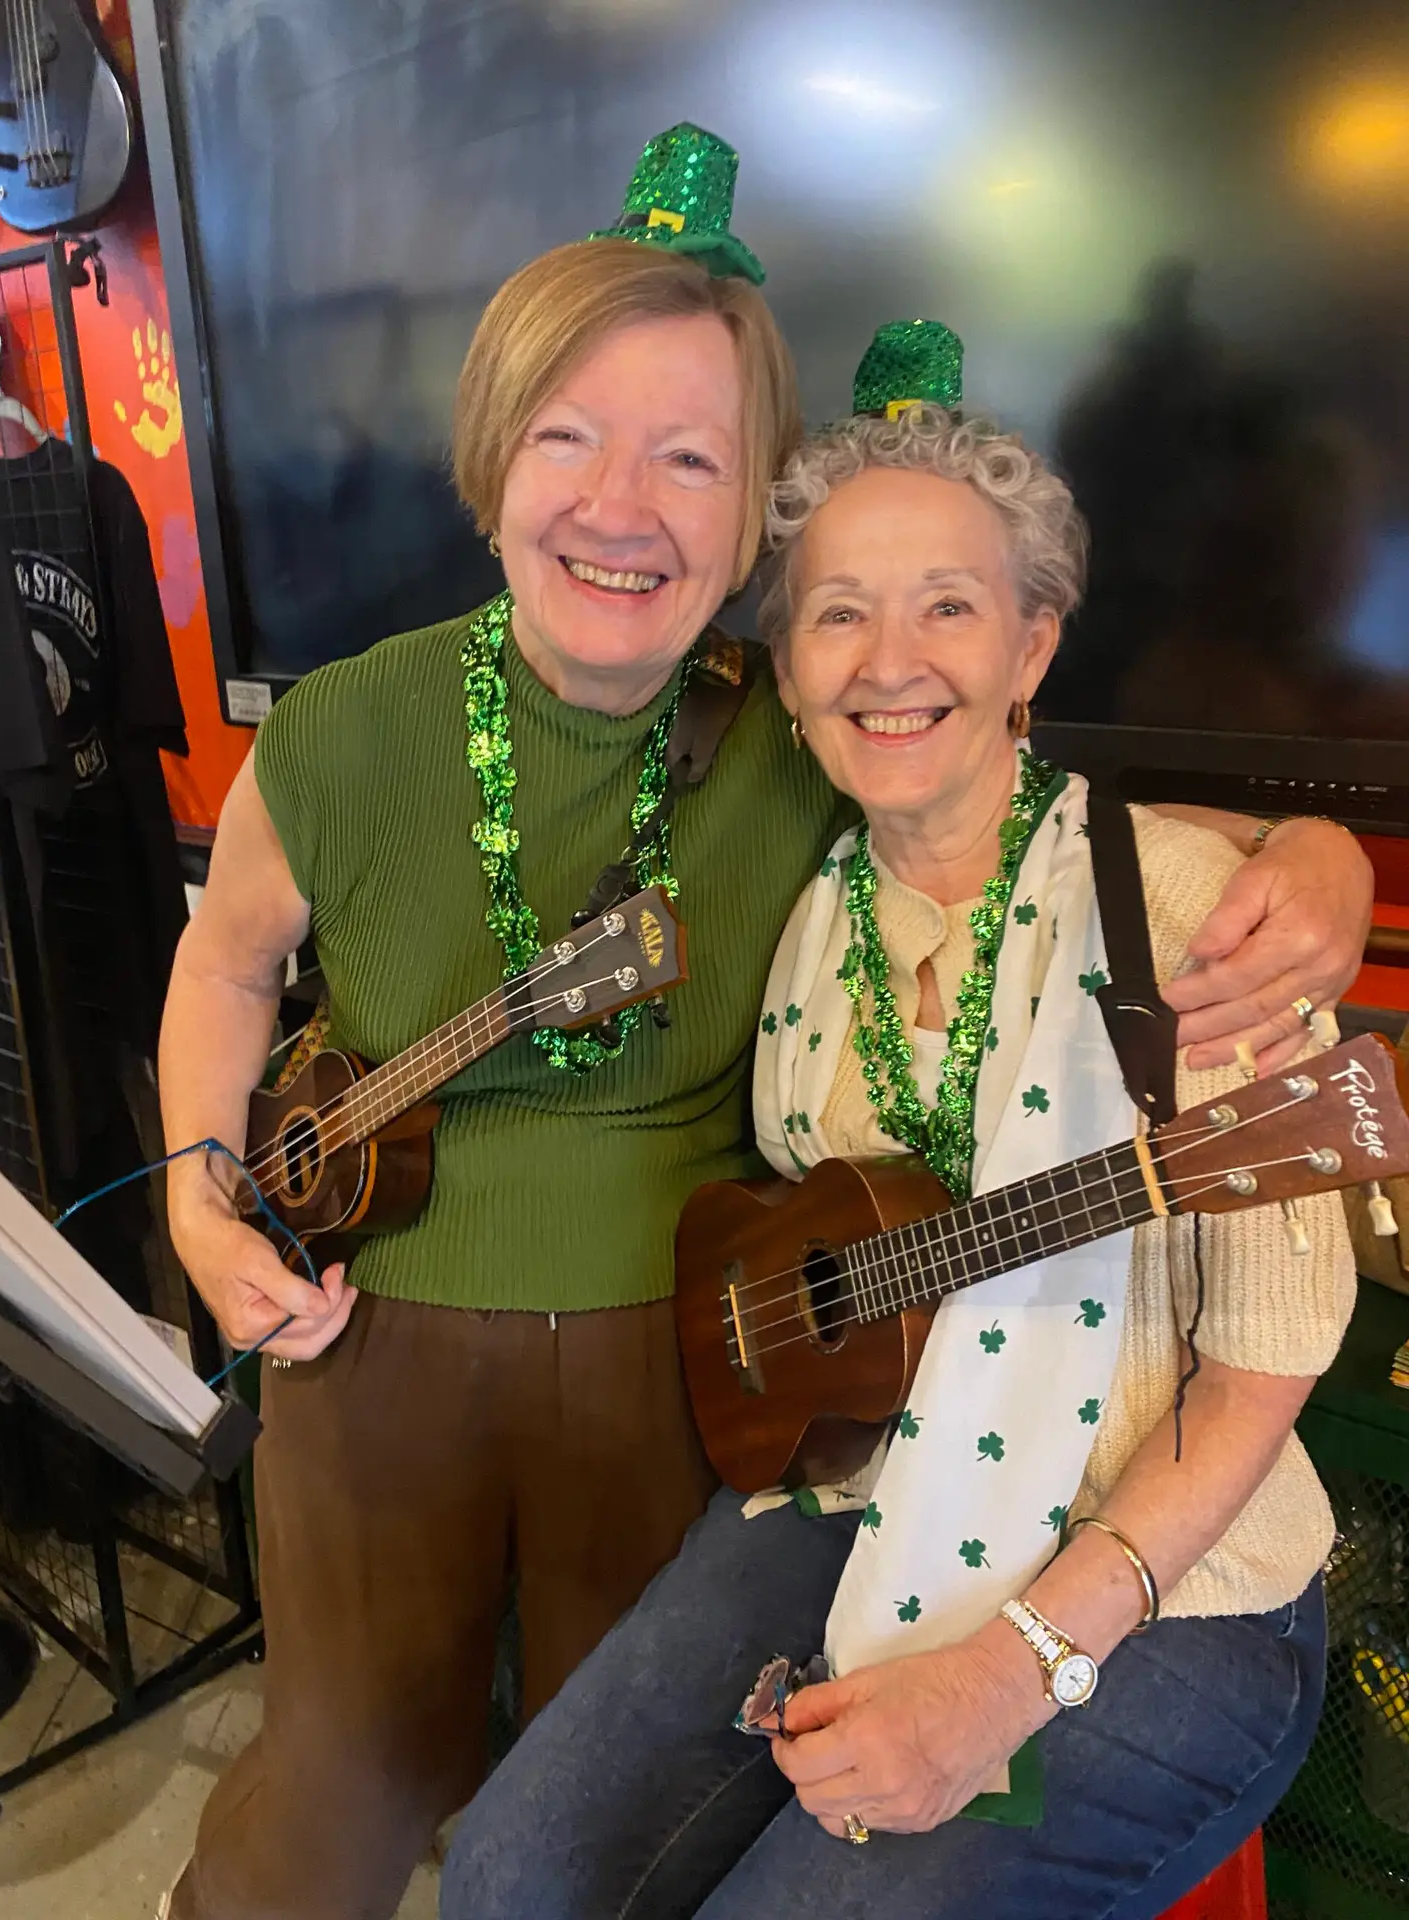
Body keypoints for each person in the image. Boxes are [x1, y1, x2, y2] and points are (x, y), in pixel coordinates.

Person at [159, 123, 1369, 1917]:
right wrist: (199, 1199)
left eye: (690, 458)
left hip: (936, 1480)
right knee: (418, 1833)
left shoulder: (1059, 873)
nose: (889, 662)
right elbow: (225, 963)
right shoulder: (441, 754)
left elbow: (1100, 847)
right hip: (605, 1407)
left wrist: (1310, 852)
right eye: (567, 437)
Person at [438, 327, 1360, 1920]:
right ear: (789, 680)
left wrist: (1015, 1669)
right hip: (863, 1482)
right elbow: (802, 1220)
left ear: (1033, 648)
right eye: (838, 614)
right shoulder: (811, 928)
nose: (889, 660)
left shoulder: (1196, 929)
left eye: (948, 605)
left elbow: (1259, 1377)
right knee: (510, 1880)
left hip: (1177, 1585)